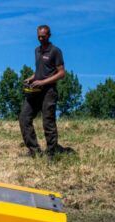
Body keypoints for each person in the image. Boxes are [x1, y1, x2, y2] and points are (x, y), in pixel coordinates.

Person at [20, 25, 72, 158]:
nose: (40, 38)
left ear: (49, 35)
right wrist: (31, 78)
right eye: (39, 36)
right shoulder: (36, 51)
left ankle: (51, 153)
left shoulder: (55, 51)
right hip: (35, 90)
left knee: (48, 122)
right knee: (24, 118)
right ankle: (34, 151)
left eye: (43, 36)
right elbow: (39, 71)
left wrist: (43, 82)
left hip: (49, 91)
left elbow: (61, 73)